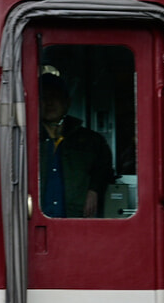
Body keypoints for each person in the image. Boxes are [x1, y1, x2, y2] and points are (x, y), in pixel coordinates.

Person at [38, 71, 114, 218]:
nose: (49, 102)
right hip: (35, 220)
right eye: (44, 97)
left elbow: (104, 170)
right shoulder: (25, 139)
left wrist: (94, 190)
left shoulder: (91, 140)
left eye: (55, 96)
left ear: (67, 102)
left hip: (76, 220)